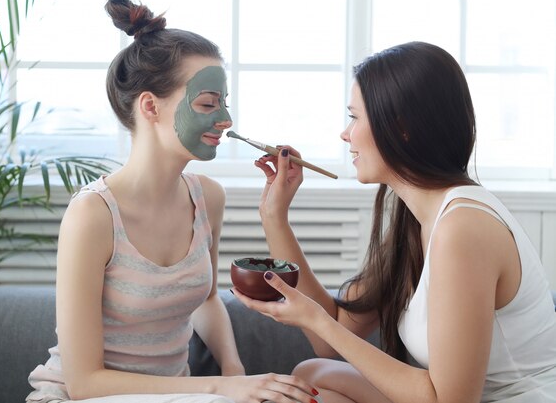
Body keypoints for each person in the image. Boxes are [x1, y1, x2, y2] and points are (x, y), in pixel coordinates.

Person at [25, 0, 319, 403]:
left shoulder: (208, 198)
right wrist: (219, 385)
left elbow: (207, 299)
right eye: (207, 104)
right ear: (150, 106)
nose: (226, 119)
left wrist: (235, 372)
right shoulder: (92, 215)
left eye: (225, 103)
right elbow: (85, 382)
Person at [232, 41, 556, 403]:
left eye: (354, 117)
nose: (345, 133)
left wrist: (316, 319)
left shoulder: (462, 229)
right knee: (311, 374)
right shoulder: (418, 220)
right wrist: (274, 217)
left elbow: (451, 400)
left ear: (401, 128)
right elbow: (332, 336)